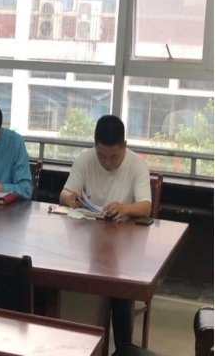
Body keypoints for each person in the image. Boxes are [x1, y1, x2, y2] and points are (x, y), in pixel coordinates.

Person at [59, 115, 152, 354]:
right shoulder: (85, 159)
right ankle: (78, 345)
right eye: (101, 156)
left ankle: (123, 348)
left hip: (124, 249)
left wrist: (125, 208)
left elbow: (145, 206)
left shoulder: (137, 165)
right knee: (72, 278)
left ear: (124, 146)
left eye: (113, 157)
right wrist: (72, 198)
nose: (107, 163)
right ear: (95, 146)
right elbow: (64, 194)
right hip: (90, 242)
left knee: (120, 284)